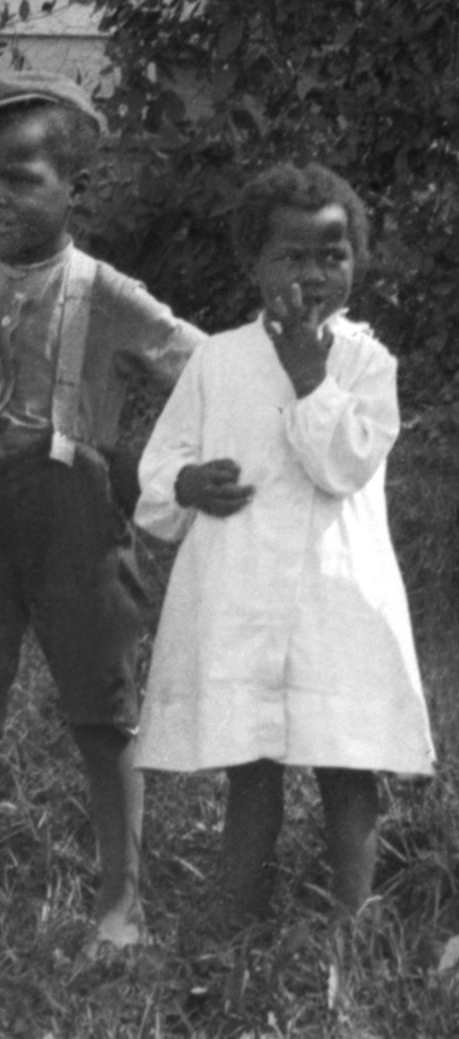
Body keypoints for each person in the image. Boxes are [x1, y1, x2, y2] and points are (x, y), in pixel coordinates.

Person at [0, 76, 203, 951]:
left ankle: (122, 903)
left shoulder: (109, 295)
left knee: (104, 711)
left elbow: (206, 372)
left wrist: (145, 468)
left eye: (21, 177)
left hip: (76, 516)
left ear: (76, 188)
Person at [133, 164, 432, 930]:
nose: (313, 273)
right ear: (255, 264)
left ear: (357, 260)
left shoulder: (366, 362)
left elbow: (344, 463)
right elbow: (160, 462)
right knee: (252, 757)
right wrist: (187, 482)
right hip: (240, 589)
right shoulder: (218, 358)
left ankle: (348, 922)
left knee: (345, 757)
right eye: (292, 257)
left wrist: (311, 380)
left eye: (332, 254)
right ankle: (235, 906)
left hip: (337, 593)